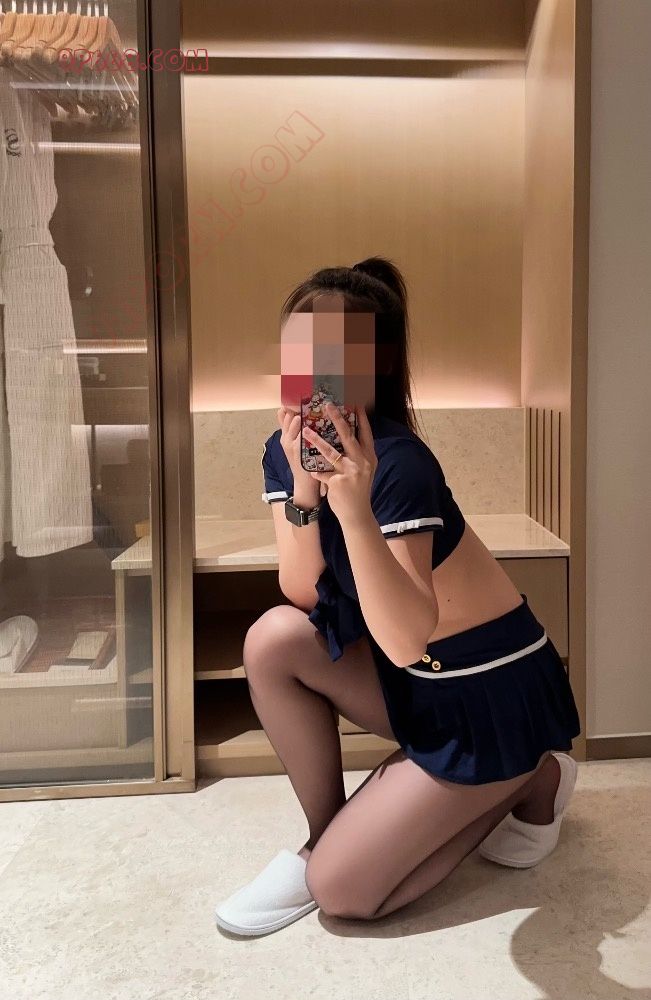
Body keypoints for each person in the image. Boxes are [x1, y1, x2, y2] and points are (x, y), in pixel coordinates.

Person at [214, 256, 581, 937]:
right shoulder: (284, 450)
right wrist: (304, 490)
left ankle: (534, 772)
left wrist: (352, 508)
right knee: (271, 638)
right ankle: (325, 836)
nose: (312, 372)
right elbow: (302, 591)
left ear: (374, 365)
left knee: (345, 895)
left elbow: (407, 636)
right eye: (298, 350)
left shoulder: (399, 464)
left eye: (333, 357)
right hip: (411, 680)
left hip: (485, 691)